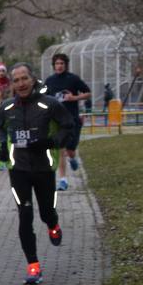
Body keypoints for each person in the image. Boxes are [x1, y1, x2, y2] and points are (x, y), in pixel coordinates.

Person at [0, 63, 73, 285]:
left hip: (44, 168)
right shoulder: (7, 107)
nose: (21, 84)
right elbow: (0, 129)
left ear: (32, 79)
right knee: (25, 215)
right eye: (16, 80)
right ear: (12, 84)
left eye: (24, 79)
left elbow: (68, 126)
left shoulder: (49, 105)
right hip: (18, 170)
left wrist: (50, 142)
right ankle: (33, 266)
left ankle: (53, 225)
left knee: (46, 212)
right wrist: (1, 146)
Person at [42, 52, 91, 190]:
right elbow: (43, 98)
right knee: (61, 150)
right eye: (57, 63)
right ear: (53, 66)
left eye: (61, 63)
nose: (59, 66)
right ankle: (63, 180)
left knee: (70, 150)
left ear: (66, 65)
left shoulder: (73, 79)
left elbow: (88, 93)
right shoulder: (50, 80)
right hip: (57, 121)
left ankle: (73, 158)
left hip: (72, 119)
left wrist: (74, 98)